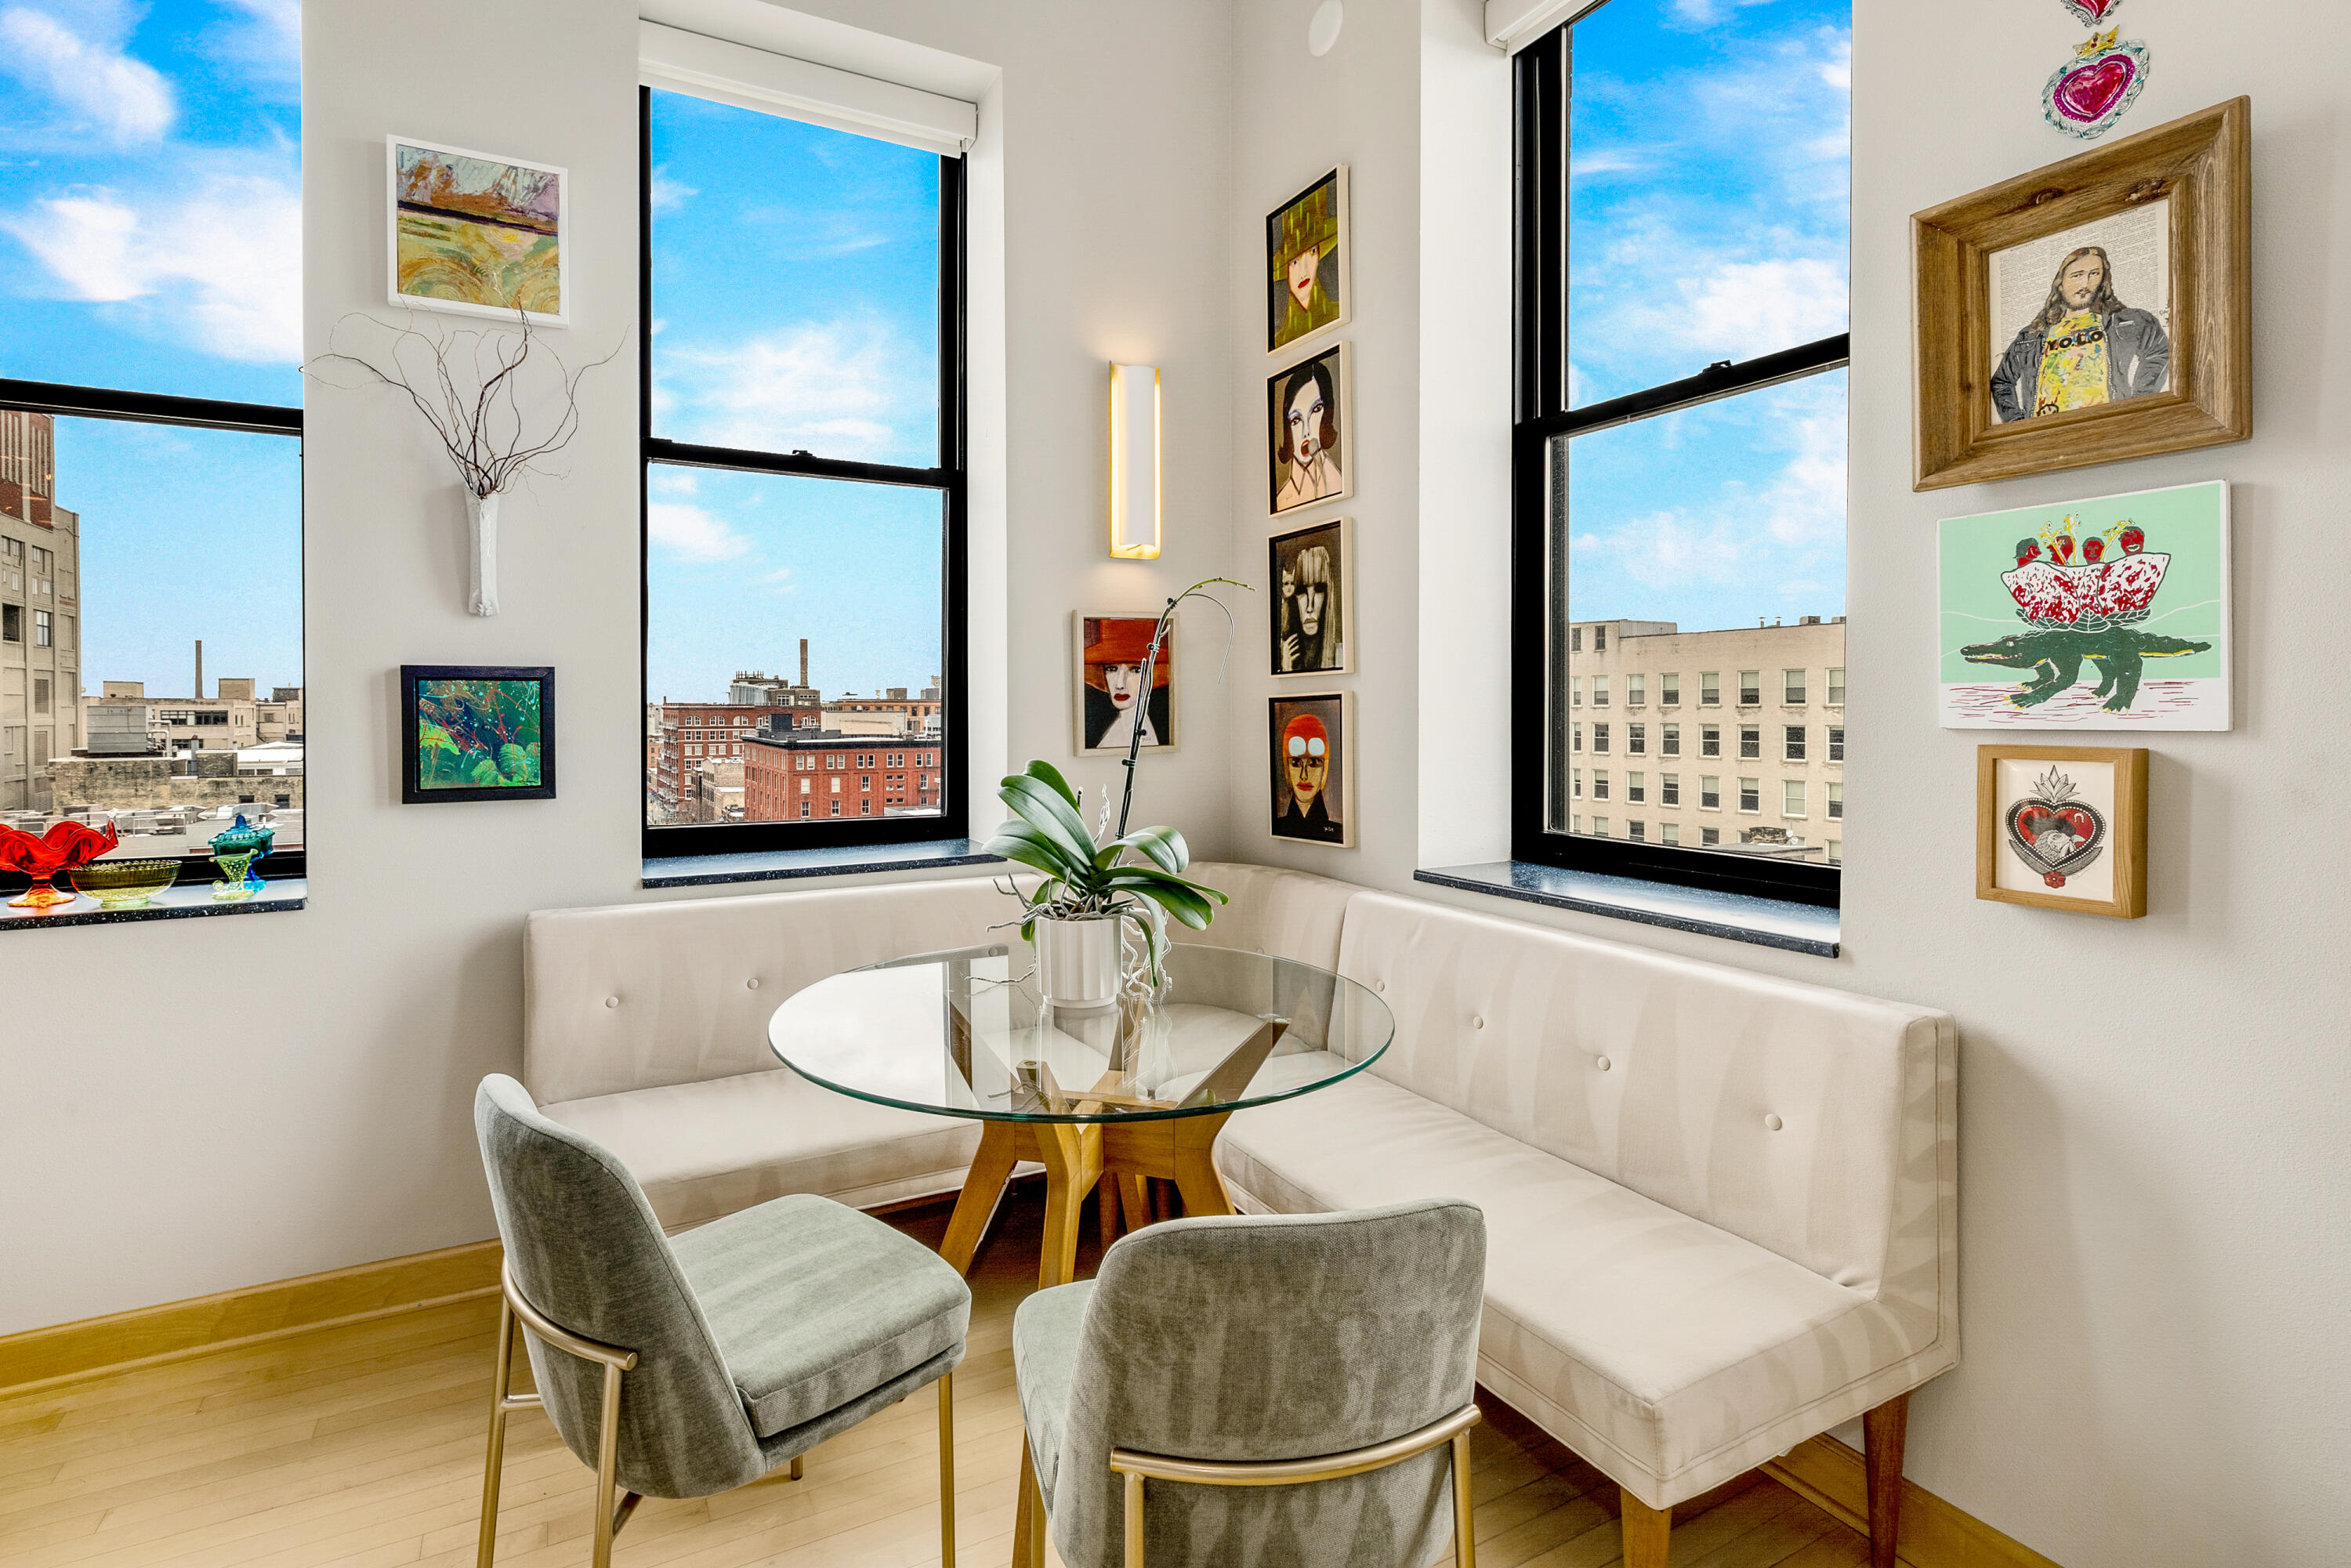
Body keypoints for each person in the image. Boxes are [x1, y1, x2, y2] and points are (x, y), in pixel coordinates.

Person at [1990, 245, 2169, 423]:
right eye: (2077, 276)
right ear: (2060, 283)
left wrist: (2139, 402)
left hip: (2106, 426)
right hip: (2047, 433)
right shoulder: (2031, 335)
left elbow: (2159, 352)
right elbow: (2001, 382)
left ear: (2103, 278)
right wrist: (2017, 423)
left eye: (2094, 274)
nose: (2085, 284)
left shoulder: (2127, 320)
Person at [1273, 357, 1344, 512]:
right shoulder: (1281, 500)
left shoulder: (1338, 481)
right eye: (1296, 419)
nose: (1307, 432)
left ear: (1327, 413)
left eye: (1316, 410)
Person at [1273, 711, 1341, 842]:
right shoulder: (1279, 826)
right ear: (1287, 768)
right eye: (1296, 763)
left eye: (1314, 763)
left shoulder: (1337, 831)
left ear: (1324, 769)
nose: (1304, 776)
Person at [1279, 543, 1337, 672]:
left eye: (1319, 591)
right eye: (1301, 592)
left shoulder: (1341, 655)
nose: (1309, 608)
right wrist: (1287, 670)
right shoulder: (1287, 654)